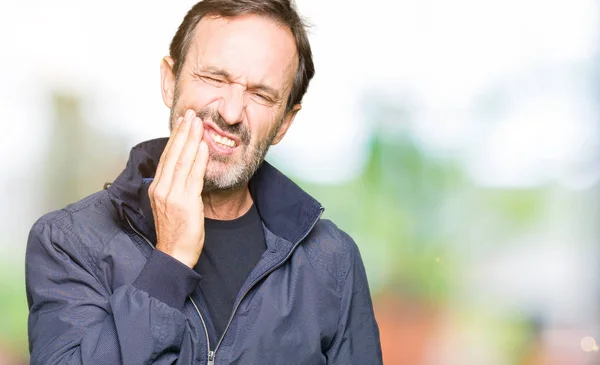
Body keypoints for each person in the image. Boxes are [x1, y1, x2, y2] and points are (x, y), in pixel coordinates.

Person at [25, 0, 382, 364]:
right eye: (214, 77)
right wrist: (170, 262)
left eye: (260, 94)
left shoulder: (332, 260)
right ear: (170, 80)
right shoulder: (68, 241)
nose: (229, 112)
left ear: (285, 122)